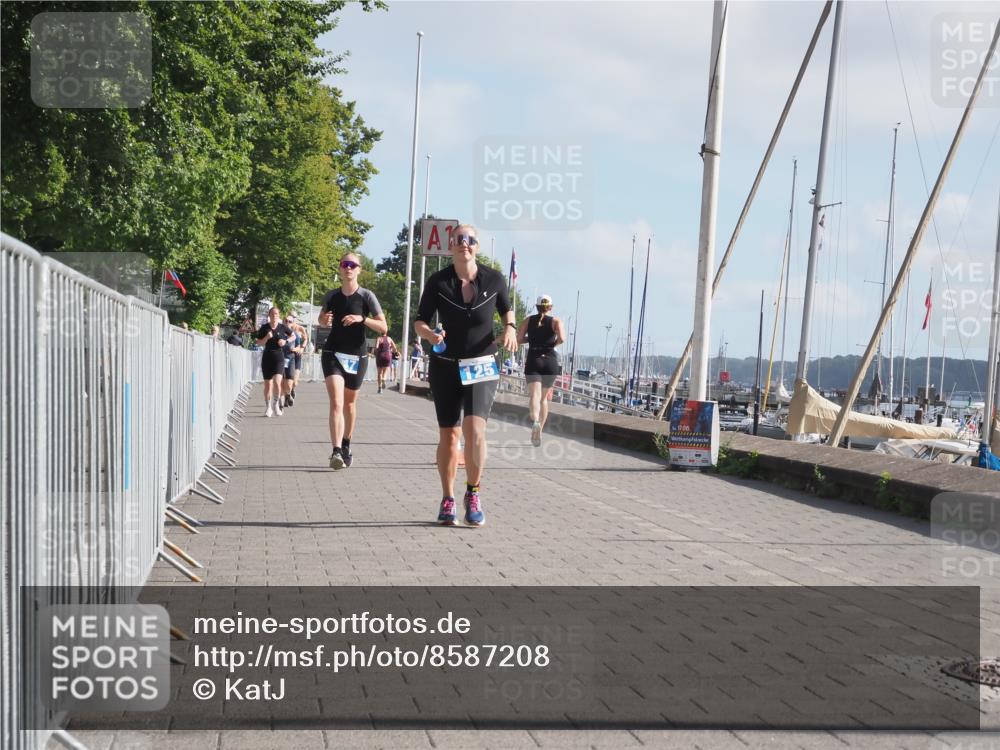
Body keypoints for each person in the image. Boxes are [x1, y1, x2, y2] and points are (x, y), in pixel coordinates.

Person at [415, 223, 517, 527]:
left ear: (477, 246)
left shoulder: (495, 279)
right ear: (451, 246)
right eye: (459, 240)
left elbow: (507, 311)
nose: (465, 244)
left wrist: (510, 328)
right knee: (450, 435)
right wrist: (430, 336)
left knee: (475, 431)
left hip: (481, 364)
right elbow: (419, 321)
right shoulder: (438, 282)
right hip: (445, 364)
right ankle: (448, 498)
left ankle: (473, 492)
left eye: (470, 240)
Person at [319, 253, 387, 469]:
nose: (348, 268)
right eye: (344, 264)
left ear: (359, 269)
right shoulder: (331, 296)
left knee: (349, 403)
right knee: (337, 402)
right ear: (340, 268)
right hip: (333, 353)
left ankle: (346, 442)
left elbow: (384, 328)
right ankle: (336, 451)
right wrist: (323, 319)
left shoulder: (367, 296)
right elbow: (321, 318)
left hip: (357, 356)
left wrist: (362, 319)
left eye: (352, 265)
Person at [517, 294, 566, 446]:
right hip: (550, 361)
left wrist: (530, 339)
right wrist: (552, 344)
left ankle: (535, 421)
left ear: (537, 307)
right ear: (550, 307)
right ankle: (539, 429)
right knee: (544, 399)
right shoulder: (556, 321)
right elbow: (562, 338)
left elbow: (519, 340)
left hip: (534, 360)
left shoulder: (528, 320)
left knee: (534, 397)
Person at [255, 307, 293, 417]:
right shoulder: (264, 327)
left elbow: (293, 336)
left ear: (279, 315)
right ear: (269, 315)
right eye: (272, 314)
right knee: (268, 384)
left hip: (279, 357)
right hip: (267, 357)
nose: (275, 316)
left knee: (277, 382)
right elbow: (258, 342)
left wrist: (285, 341)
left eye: (276, 314)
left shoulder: (282, 327)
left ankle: (276, 404)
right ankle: (268, 408)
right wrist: (267, 337)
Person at [281, 314, 305, 407]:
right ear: (283, 322)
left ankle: (290, 392)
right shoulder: (279, 332)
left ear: (293, 322)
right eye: (286, 321)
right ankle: (285, 397)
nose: (287, 323)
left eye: (290, 321)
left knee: (292, 382)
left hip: (293, 358)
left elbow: (300, 344)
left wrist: (298, 349)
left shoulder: (297, 333)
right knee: (283, 381)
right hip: (282, 359)